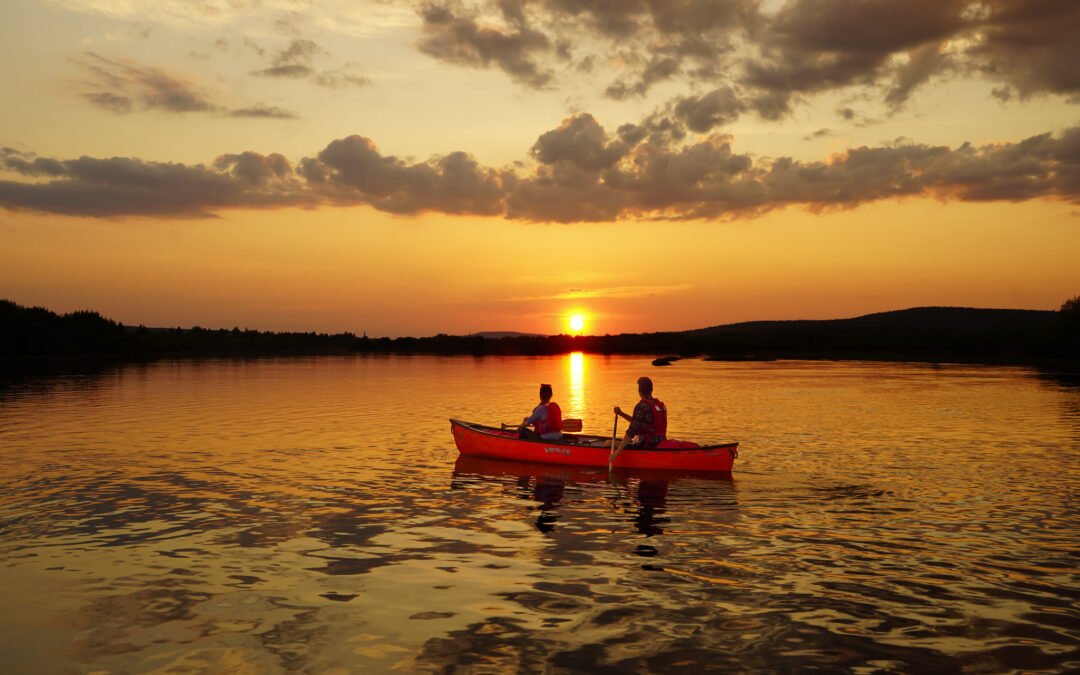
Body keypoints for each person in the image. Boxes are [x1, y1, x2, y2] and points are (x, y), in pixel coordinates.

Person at [613, 376, 667, 450]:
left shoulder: (641, 406)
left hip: (646, 445)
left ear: (639, 391)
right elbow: (637, 422)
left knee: (608, 443)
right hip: (661, 442)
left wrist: (614, 454)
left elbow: (630, 433)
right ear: (652, 390)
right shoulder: (660, 405)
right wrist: (621, 413)